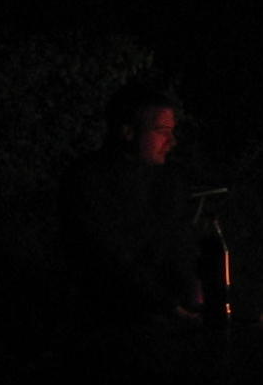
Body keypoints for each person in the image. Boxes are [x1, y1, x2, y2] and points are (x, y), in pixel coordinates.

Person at [58, 82, 203, 327]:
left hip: (171, 313)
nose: (172, 141)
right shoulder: (88, 179)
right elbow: (108, 256)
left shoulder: (168, 180)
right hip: (108, 319)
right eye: (162, 131)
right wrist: (165, 304)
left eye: (172, 132)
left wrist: (193, 292)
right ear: (127, 131)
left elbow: (180, 242)